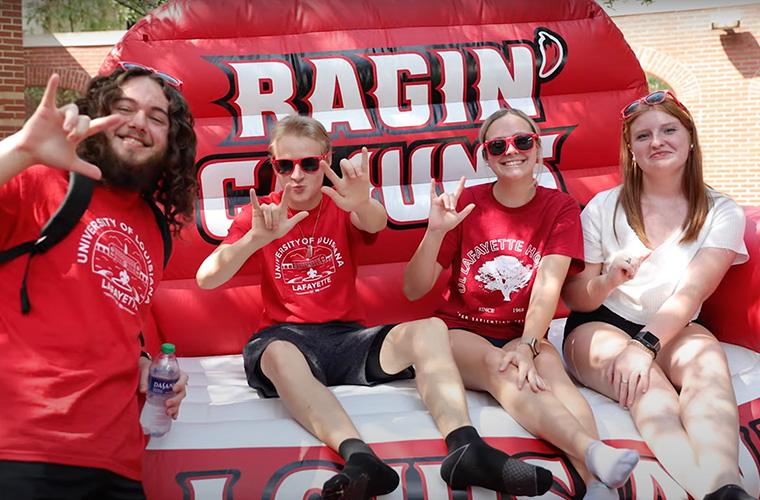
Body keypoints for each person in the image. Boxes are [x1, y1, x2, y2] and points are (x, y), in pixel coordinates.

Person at [196, 114, 555, 499]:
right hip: (286, 339)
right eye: (285, 165)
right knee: (280, 352)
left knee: (431, 329)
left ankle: (466, 448)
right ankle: (359, 458)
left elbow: (374, 222)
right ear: (273, 165)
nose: (297, 175)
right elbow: (207, 278)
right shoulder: (262, 214)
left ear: (327, 161)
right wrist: (254, 239)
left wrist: (362, 202)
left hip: (346, 337)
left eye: (309, 163)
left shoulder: (342, 203)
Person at [403, 108, 640, 499]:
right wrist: (433, 233)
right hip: (460, 331)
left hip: (525, 332)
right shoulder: (467, 204)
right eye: (498, 144)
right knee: (503, 369)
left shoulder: (559, 207)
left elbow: (548, 286)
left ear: (538, 148)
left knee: (562, 388)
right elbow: (413, 290)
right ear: (485, 155)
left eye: (522, 141)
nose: (511, 150)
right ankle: (591, 453)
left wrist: (529, 344)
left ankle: (598, 486)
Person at [0, 66, 196, 499]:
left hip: (119, 465)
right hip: (23, 454)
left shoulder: (155, 229)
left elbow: (115, 323)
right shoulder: (40, 178)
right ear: (97, 116)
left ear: (171, 144)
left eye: (157, 117)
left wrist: (147, 365)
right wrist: (22, 149)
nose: (139, 123)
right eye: (124, 108)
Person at [561, 90, 752, 500]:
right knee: (645, 386)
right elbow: (577, 298)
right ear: (631, 150)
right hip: (601, 322)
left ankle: (728, 486)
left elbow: (693, 291)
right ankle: (711, 490)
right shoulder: (602, 206)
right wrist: (608, 280)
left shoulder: (721, 211)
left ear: (690, 138)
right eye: (643, 136)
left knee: (708, 371)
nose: (657, 141)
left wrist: (643, 344)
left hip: (674, 323)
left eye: (669, 130)